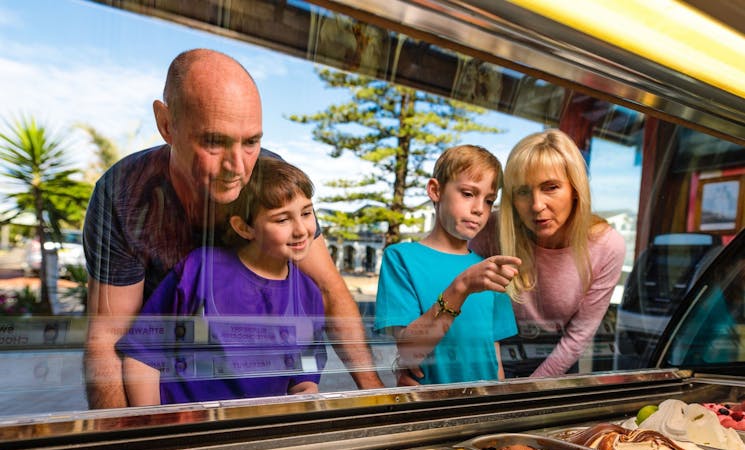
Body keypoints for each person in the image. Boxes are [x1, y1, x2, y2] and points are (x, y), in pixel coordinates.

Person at [84, 48, 383, 408]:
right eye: (214, 141)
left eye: (252, 141)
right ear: (167, 125)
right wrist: (131, 439)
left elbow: (327, 293)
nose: (237, 167)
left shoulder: (269, 180)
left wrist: (376, 398)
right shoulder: (124, 193)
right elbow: (111, 338)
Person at [116, 157, 326, 405]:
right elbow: (143, 355)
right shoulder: (200, 269)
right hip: (185, 427)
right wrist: (150, 426)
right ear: (244, 227)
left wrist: (307, 389)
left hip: (257, 431)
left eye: (306, 212)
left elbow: (304, 375)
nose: (301, 229)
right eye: (282, 219)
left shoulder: (309, 293)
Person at [471, 129, 625, 378]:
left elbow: (579, 336)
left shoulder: (607, 246)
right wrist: (496, 385)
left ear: (575, 189)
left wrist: (529, 391)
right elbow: (470, 309)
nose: (536, 205)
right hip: (491, 359)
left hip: (557, 364)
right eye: (522, 191)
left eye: (550, 187)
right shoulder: (490, 229)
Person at [374, 145, 521, 386]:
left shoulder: (489, 269)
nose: (479, 209)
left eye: (489, 200)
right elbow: (410, 351)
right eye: (467, 193)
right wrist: (461, 287)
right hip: (431, 409)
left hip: (483, 409)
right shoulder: (401, 258)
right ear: (435, 190)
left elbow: (495, 358)